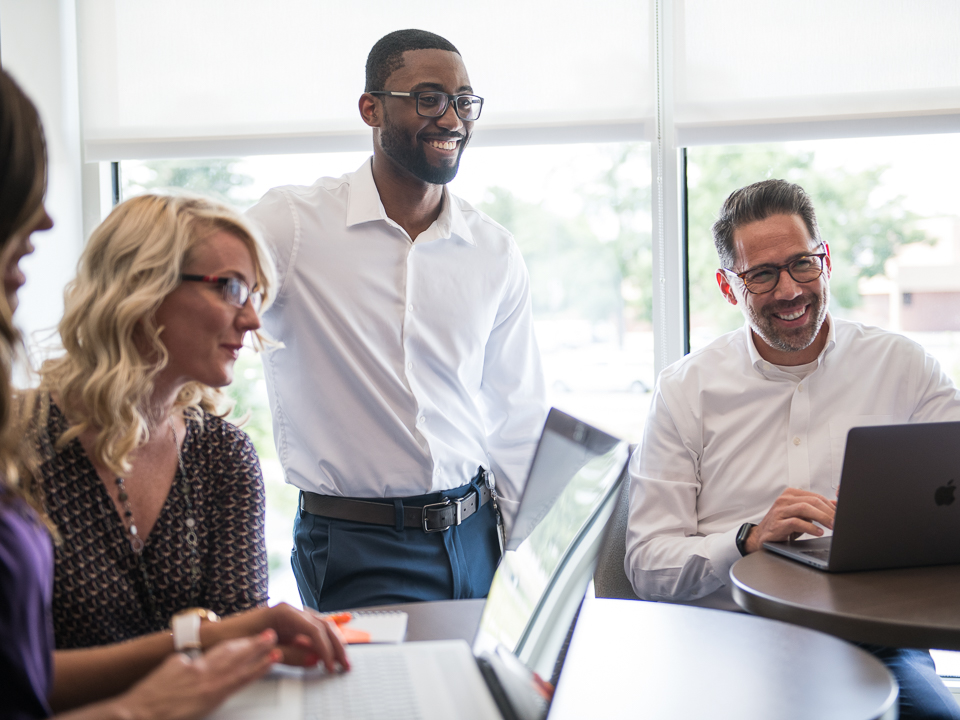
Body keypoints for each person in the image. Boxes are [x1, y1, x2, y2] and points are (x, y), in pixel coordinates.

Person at [0, 69, 348, 720]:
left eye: (258, 297)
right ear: (143, 289)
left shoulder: (224, 457)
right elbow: (20, 677)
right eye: (231, 288)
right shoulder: (17, 440)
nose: (251, 320)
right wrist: (195, 643)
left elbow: (240, 653)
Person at [625, 178, 960, 720]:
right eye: (762, 274)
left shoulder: (904, 367)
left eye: (802, 263)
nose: (789, 290)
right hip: (732, 640)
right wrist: (747, 539)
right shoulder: (686, 390)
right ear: (729, 286)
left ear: (824, 261)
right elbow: (646, 564)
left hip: (871, 637)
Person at [246, 29, 546, 611]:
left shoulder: (493, 249)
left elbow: (518, 411)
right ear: (371, 108)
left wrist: (516, 545)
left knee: (475, 701)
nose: (452, 117)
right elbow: (205, 288)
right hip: (358, 540)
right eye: (429, 98)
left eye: (463, 101)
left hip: (477, 533)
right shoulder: (294, 225)